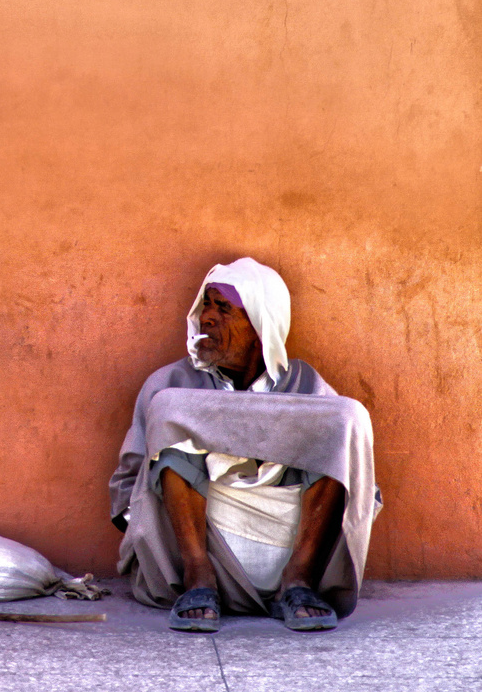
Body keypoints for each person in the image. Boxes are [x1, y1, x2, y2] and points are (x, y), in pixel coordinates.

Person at [109, 257, 380, 633]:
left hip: (292, 556)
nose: (206, 318)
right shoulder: (171, 382)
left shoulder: (303, 385)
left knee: (348, 417)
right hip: (194, 558)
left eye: (223, 308)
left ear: (259, 326)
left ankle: (297, 580)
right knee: (170, 407)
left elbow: (356, 480)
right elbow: (129, 484)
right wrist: (144, 532)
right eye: (206, 305)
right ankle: (199, 578)